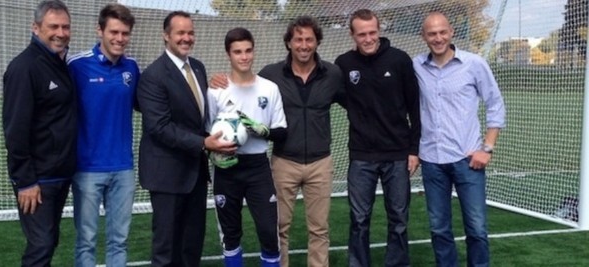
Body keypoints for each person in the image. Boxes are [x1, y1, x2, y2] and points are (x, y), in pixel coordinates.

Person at [210, 16, 346, 267]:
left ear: (317, 42)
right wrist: (219, 80)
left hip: (320, 162)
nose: (304, 45)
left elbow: (355, 104)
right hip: (284, 162)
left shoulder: (333, 74)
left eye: (309, 39)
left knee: (319, 230)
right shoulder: (271, 76)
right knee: (277, 229)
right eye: (298, 39)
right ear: (289, 43)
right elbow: (245, 83)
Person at [136, 11, 236, 267]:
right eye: (180, 33)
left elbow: (197, 117)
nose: (186, 38)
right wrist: (204, 143)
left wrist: (217, 137)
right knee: (166, 250)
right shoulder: (153, 76)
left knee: (191, 246)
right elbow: (159, 127)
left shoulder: (198, 68)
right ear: (166, 35)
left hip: (195, 173)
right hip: (167, 174)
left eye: (190, 33)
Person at [413, 12, 506, 267]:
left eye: (442, 32)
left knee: (476, 228)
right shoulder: (416, 65)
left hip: (468, 159)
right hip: (432, 160)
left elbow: (495, 104)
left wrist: (487, 147)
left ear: (451, 32)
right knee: (439, 229)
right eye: (432, 33)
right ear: (424, 37)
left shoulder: (474, 64)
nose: (438, 38)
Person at [334, 9, 420, 267]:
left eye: (372, 32)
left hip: (397, 155)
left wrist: (413, 150)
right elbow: (339, 96)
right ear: (352, 35)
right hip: (361, 156)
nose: (368, 38)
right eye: (362, 34)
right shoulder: (344, 64)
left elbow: (415, 108)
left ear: (379, 30)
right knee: (359, 219)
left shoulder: (400, 60)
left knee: (399, 219)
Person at [1, 0, 76, 266]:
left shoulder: (59, 63)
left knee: (49, 241)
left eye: (65, 26)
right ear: (36, 28)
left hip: (59, 174)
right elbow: (15, 130)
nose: (61, 32)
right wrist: (26, 181)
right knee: (41, 244)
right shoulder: (24, 67)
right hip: (38, 179)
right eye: (53, 26)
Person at [207, 27, 287, 267]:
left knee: (268, 233)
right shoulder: (216, 91)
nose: (244, 57)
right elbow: (205, 132)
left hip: (257, 167)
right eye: (238, 52)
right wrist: (213, 152)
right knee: (230, 236)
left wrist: (264, 131)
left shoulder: (269, 88)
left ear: (254, 51)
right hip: (226, 169)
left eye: (248, 51)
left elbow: (281, 131)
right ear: (228, 54)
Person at [66, 4, 138, 267]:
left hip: (123, 168)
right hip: (87, 169)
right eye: (114, 32)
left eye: (125, 33)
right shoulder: (76, 65)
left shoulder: (132, 67)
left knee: (119, 240)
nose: (120, 39)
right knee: (86, 240)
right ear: (100, 30)